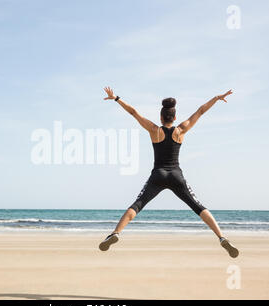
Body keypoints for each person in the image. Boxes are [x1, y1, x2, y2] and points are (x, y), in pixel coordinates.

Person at [98, 87, 239, 258]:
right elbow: (200, 111)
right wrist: (217, 97)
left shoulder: (154, 130)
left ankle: (115, 234)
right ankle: (221, 237)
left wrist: (116, 98)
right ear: (175, 117)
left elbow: (134, 112)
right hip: (176, 176)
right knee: (198, 206)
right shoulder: (181, 130)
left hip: (158, 175)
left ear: (161, 117)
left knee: (138, 204)